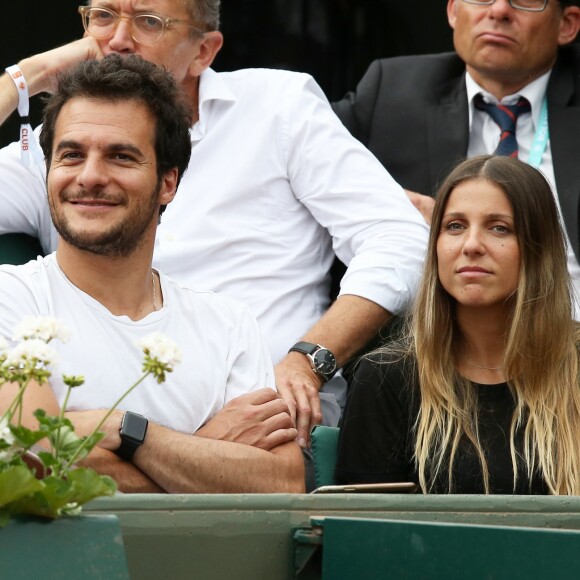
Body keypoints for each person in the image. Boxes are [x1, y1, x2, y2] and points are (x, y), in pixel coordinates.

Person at [0, 1, 429, 448]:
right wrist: (25, 77)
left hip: (262, 421)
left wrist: (309, 357)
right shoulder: (74, 144)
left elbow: (399, 239)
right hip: (97, 410)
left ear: (204, 50)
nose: (118, 40)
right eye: (103, 17)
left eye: (148, 22)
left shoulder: (278, 106)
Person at [0, 53, 304, 494]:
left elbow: (282, 481)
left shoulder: (228, 324)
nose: (89, 176)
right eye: (71, 155)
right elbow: (34, 460)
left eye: (121, 157)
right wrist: (205, 450)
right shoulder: (11, 299)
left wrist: (123, 429)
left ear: (168, 183)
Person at [335, 155, 580, 494]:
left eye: (499, 228)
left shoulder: (576, 364)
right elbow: (366, 536)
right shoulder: (386, 377)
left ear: (538, 248)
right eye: (455, 226)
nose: (472, 245)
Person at [332, 0, 580, 313]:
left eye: (524, 0)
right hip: (436, 340)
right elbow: (301, 152)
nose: (499, 10)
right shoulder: (392, 89)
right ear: (452, 11)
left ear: (567, 24)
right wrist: (393, 201)